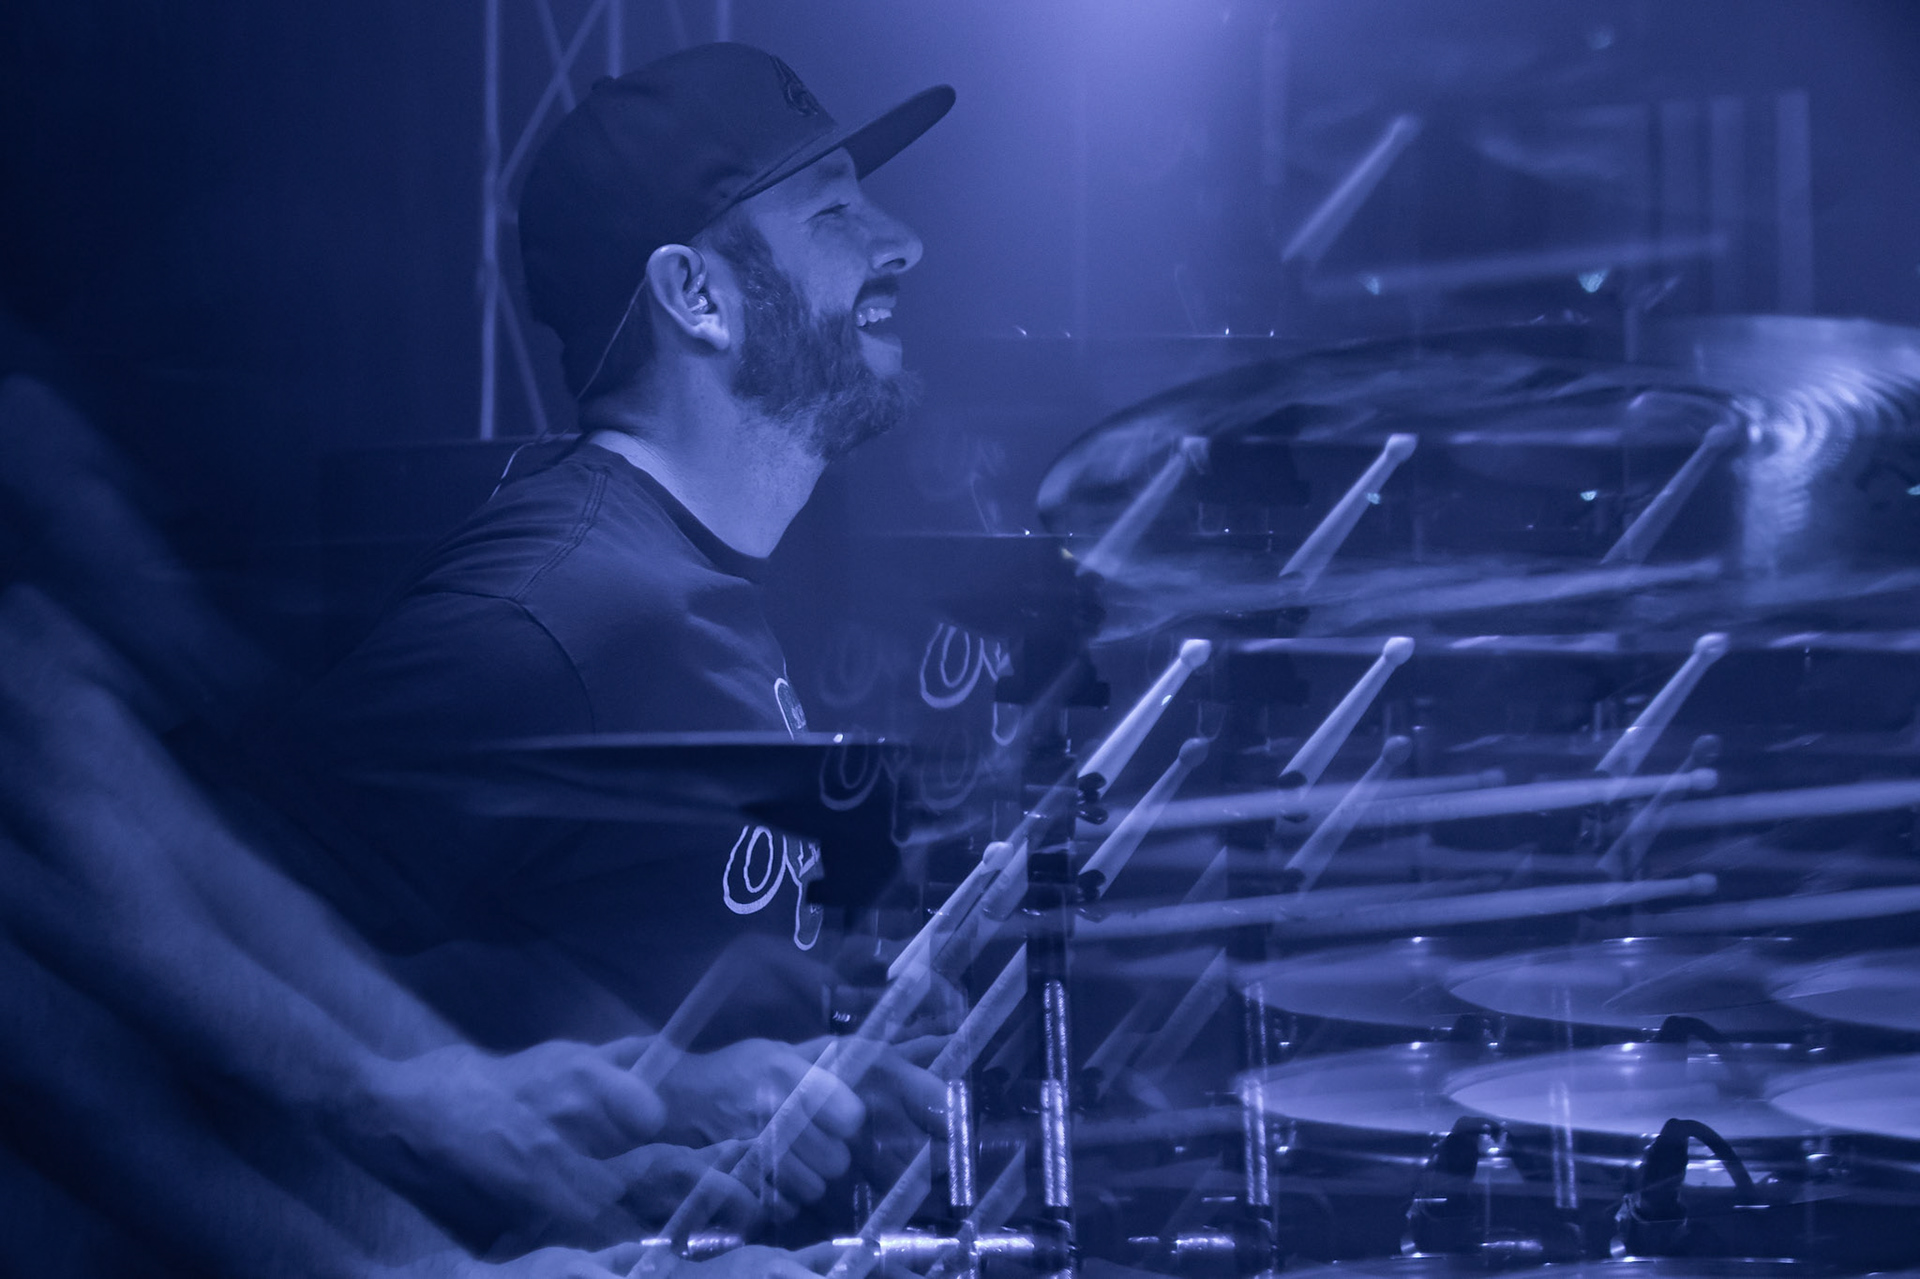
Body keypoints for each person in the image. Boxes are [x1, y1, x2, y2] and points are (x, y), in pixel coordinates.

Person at [274, 41, 955, 1237]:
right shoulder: (548, 611)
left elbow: (495, 962)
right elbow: (231, 964)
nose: (904, 242)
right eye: (835, 212)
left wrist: (711, 1068)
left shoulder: (688, 568)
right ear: (697, 296)